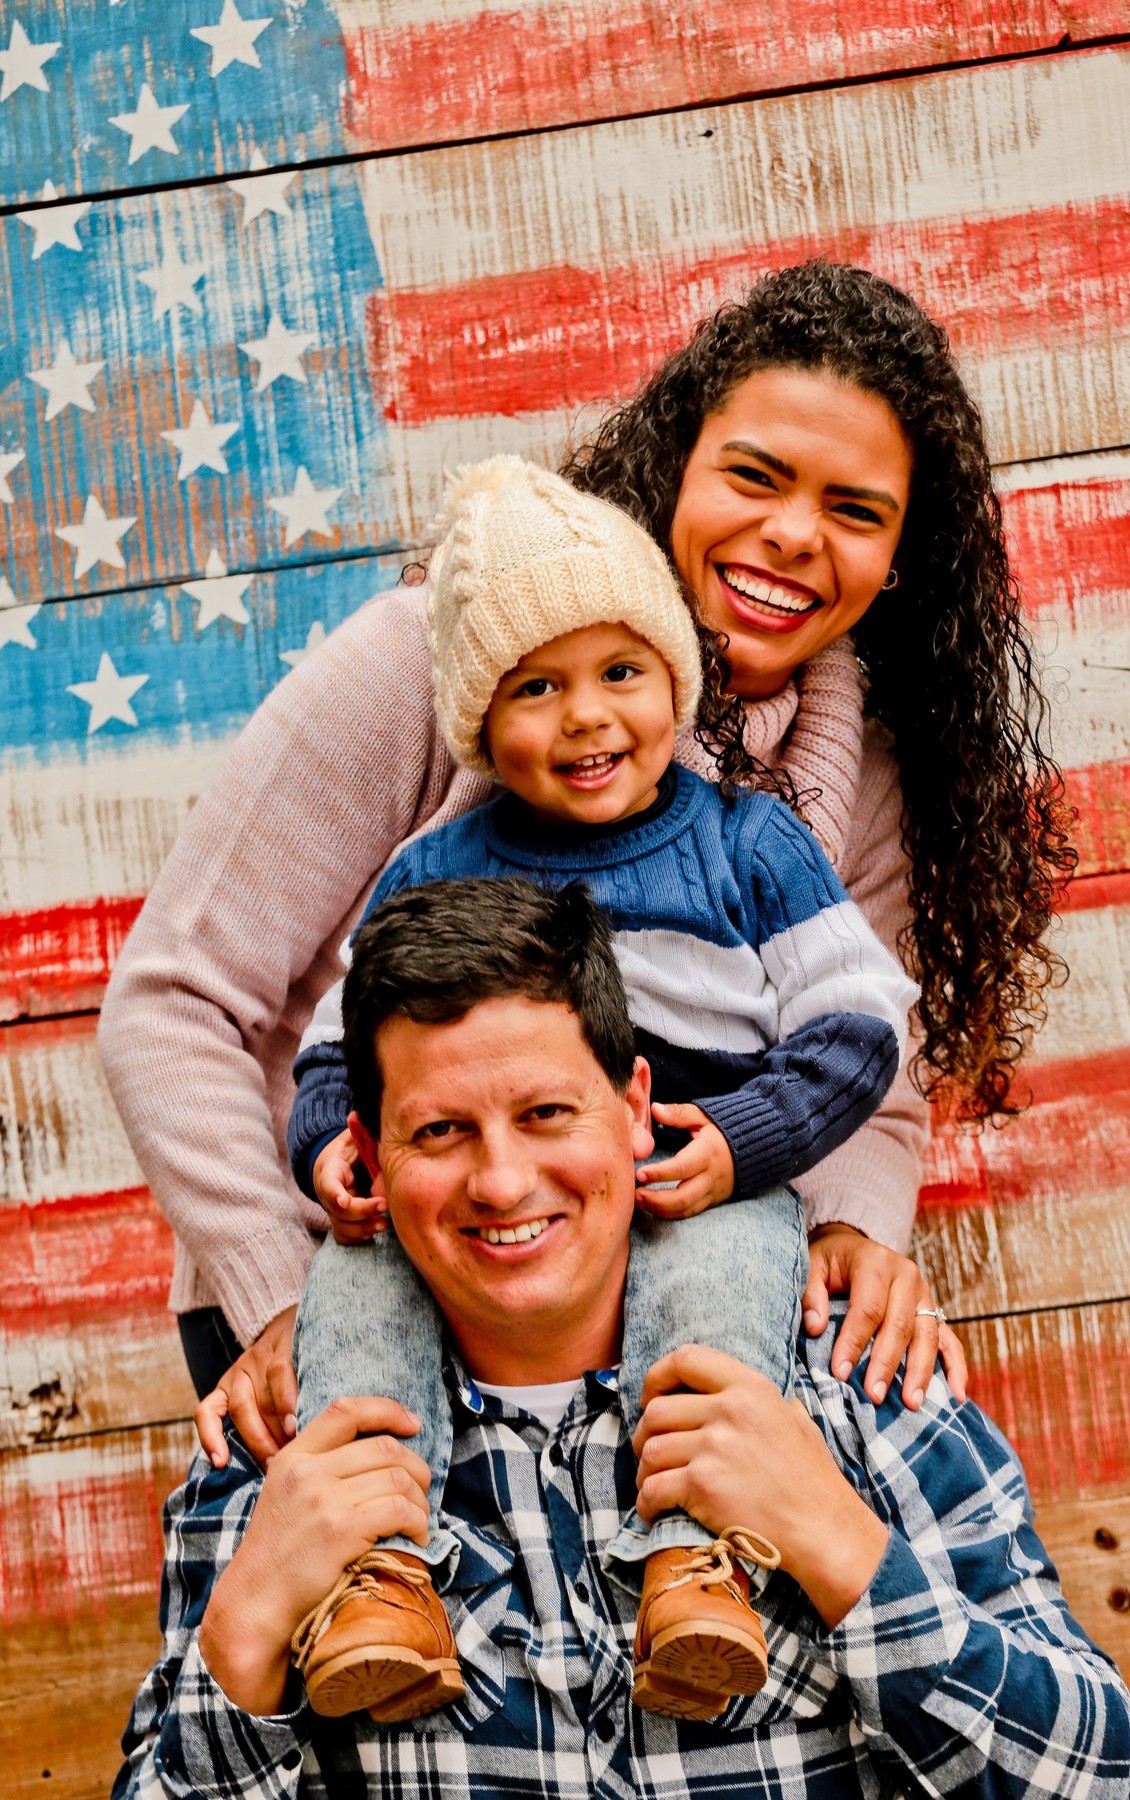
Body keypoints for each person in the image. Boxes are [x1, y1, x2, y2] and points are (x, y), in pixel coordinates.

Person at [98, 260, 1070, 1467]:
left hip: (653, 1304)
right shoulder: (427, 666)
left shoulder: (859, 771)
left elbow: (876, 1062)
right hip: (342, 1290)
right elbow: (172, 1003)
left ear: (902, 557)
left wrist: (854, 1231)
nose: (792, 534)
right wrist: (283, 1297)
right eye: (754, 476)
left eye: (856, 511)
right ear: (676, 465)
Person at [112, 881, 1130, 1800]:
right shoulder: (279, 1456)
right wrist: (247, 1628)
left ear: (636, 1109)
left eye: (546, 1112)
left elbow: (1094, 1777)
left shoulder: (853, 1383)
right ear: (369, 1157)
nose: (502, 1181)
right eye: (440, 1131)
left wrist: (836, 1540)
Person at [282, 455, 917, 1724]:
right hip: (496, 1206)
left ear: (675, 680)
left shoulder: (749, 844)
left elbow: (857, 1027)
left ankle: (695, 1567)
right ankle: (374, 1583)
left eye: (620, 672)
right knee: (352, 1295)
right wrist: (325, 1150)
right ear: (478, 720)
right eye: (537, 687)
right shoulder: (433, 868)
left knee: (718, 1305)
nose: (586, 718)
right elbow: (334, 1048)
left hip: (698, 1185)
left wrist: (740, 1142)